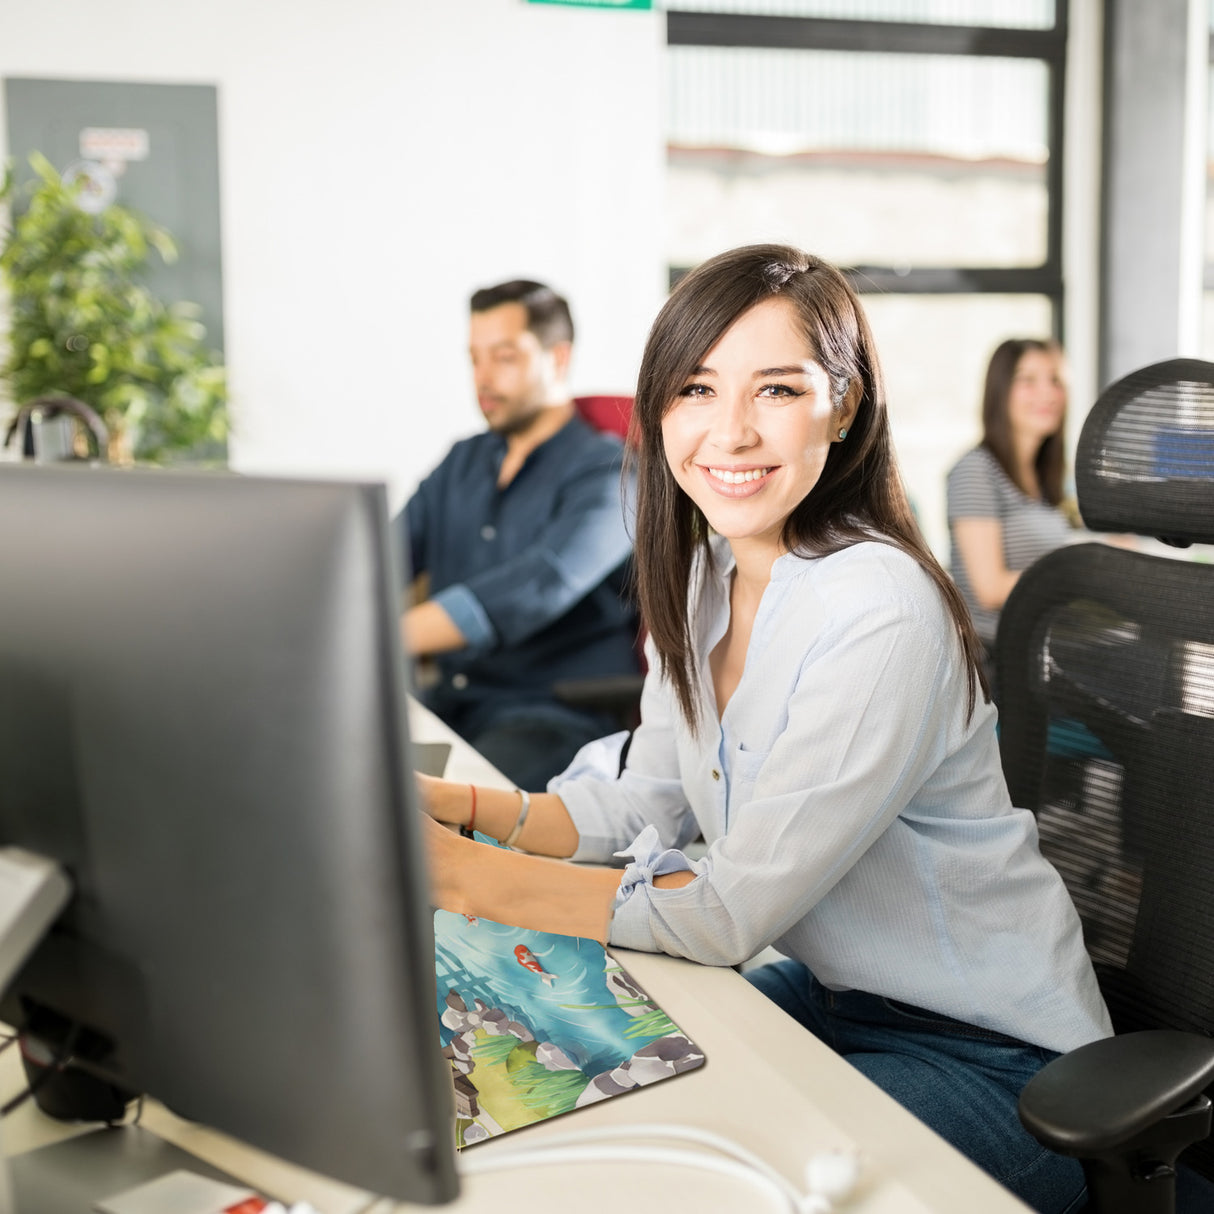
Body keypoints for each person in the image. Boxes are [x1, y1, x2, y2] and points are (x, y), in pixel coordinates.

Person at [419, 245, 1111, 1214]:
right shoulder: (706, 571)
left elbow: (725, 909)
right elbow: (639, 797)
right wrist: (442, 805)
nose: (729, 430)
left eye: (776, 388)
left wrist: (456, 875)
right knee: (570, 1105)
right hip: (829, 997)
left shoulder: (880, 607)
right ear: (658, 408)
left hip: (993, 1055)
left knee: (713, 1193)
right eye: (695, 388)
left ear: (843, 404)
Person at [398, 279, 639, 790]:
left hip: (553, 714)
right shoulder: (461, 461)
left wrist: (381, 636)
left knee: (433, 818)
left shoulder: (612, 473)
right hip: (454, 702)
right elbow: (375, 561)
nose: (482, 378)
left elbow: (540, 585)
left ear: (557, 358)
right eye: (474, 359)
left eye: (503, 357)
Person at [946, 338, 1083, 682]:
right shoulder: (975, 471)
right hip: (997, 659)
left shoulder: (1043, 478)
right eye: (1028, 380)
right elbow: (989, 588)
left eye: (1055, 380)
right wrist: (1086, 571)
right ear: (1000, 391)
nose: (1047, 393)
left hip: (1041, 648)